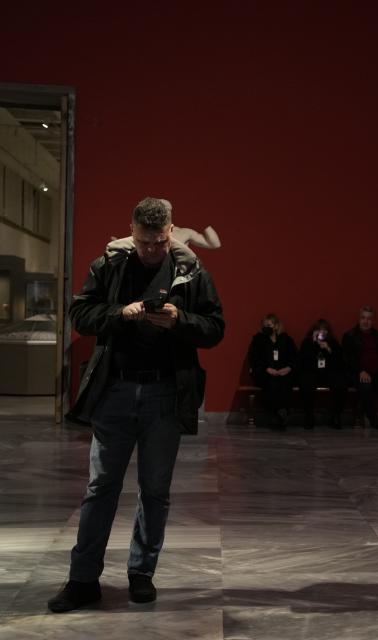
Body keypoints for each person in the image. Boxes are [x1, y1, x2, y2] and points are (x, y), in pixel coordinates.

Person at [49, 197, 224, 612]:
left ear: (170, 231)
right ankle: (83, 579)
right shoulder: (108, 264)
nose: (151, 250)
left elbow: (215, 327)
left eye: (159, 242)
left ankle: (141, 573)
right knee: (99, 489)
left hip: (165, 394)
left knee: (155, 491)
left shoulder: (192, 270)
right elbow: (80, 314)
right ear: (131, 231)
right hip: (116, 392)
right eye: (144, 242)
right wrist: (119, 314)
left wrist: (180, 320)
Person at [247, 313, 297, 429]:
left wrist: (288, 368)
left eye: (269, 325)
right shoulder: (258, 340)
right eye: (264, 325)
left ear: (275, 326)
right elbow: (254, 358)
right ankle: (281, 413)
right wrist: (267, 369)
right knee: (272, 382)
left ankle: (279, 415)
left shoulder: (286, 340)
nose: (266, 327)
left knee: (285, 382)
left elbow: (293, 357)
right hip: (265, 373)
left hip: (283, 373)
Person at [297, 319, 348, 428]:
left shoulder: (333, 343)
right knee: (306, 381)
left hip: (329, 373)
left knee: (341, 382)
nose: (321, 334)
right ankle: (309, 416)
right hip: (312, 373)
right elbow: (303, 362)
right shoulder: (307, 342)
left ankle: (336, 415)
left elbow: (340, 363)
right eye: (318, 331)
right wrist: (313, 343)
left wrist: (328, 349)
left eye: (323, 331)